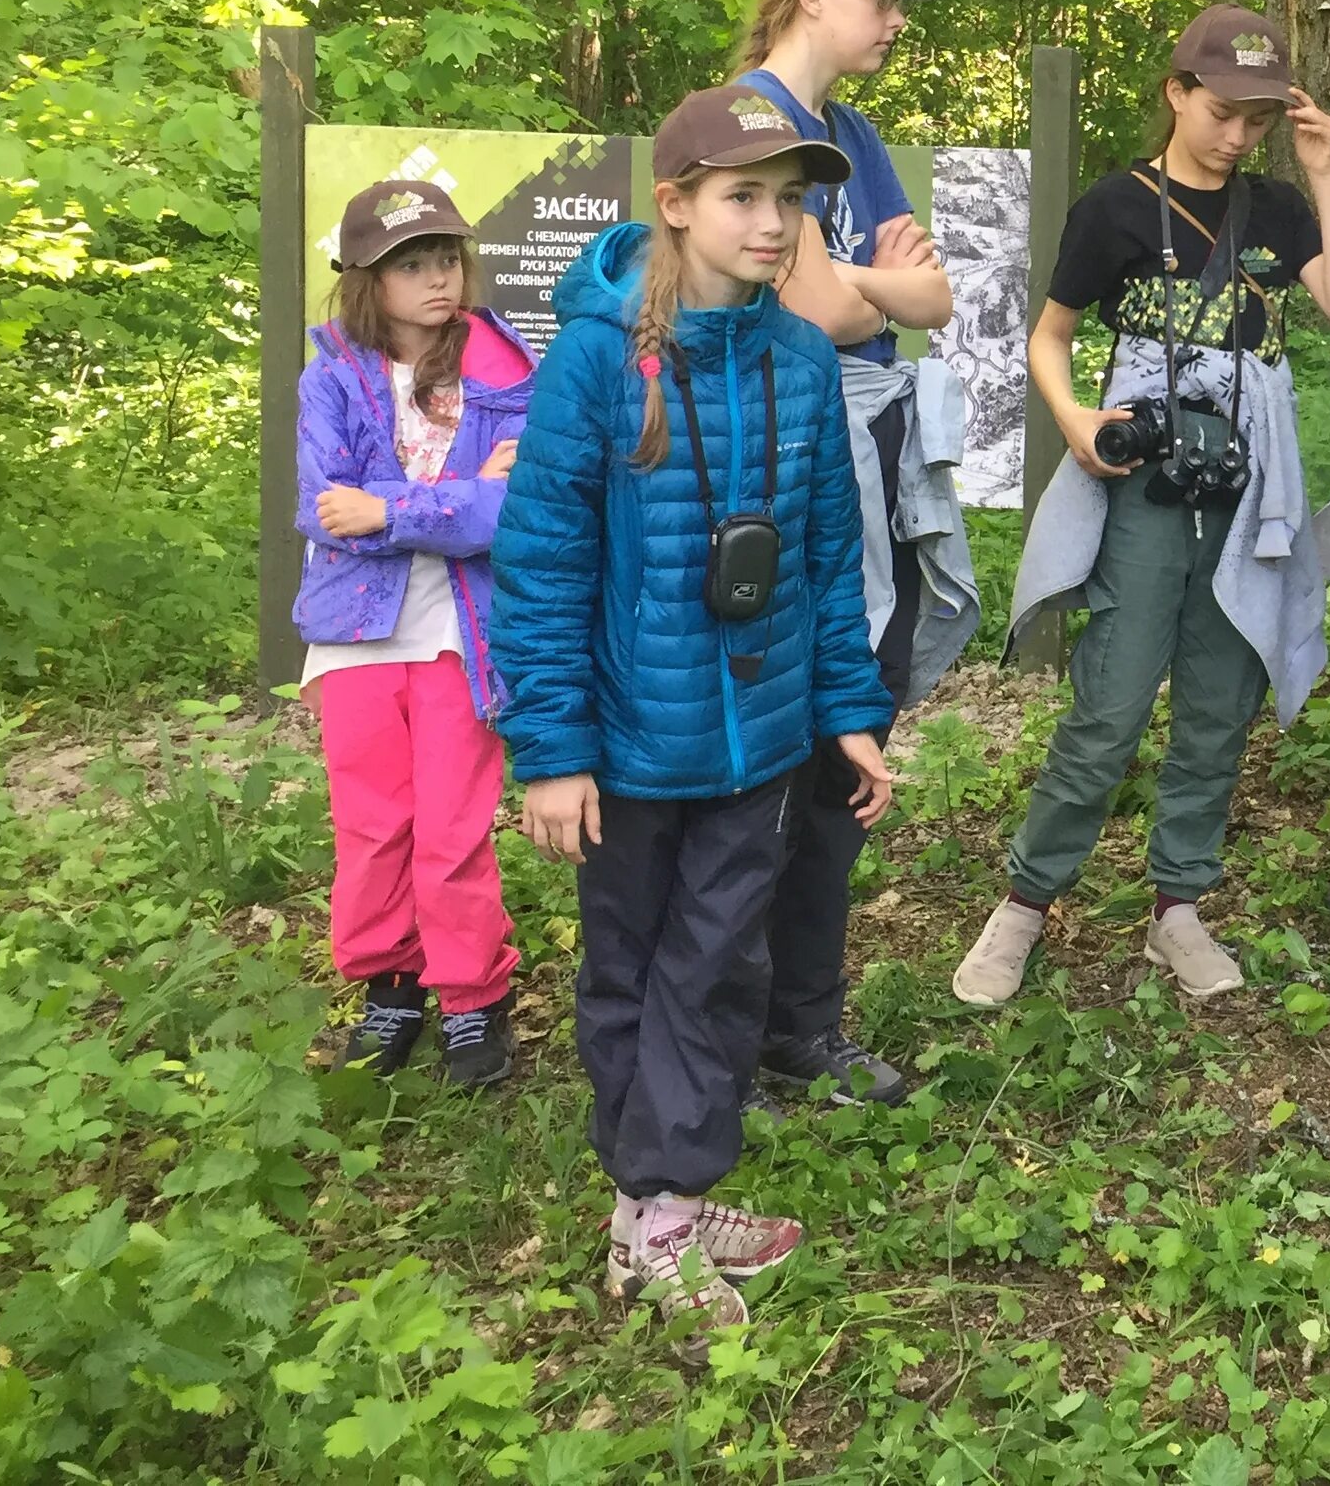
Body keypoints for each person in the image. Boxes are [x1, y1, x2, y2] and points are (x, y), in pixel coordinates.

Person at [491, 86, 897, 1334]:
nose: (774, 225)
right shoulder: (595, 361)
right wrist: (552, 751)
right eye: (744, 197)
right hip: (626, 743)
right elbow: (544, 562)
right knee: (634, 965)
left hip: (763, 738)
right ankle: (652, 1212)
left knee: (722, 961)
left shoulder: (797, 354)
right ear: (673, 206)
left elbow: (829, 555)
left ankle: (656, 1207)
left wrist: (848, 709)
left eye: (790, 200)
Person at [957, 6, 1330, 1007]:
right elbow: (1048, 338)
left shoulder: (1275, 209)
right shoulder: (1113, 207)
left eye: (1256, 121)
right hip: (1143, 486)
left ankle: (1177, 910)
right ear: (1177, 93)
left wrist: (1323, 173)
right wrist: (1077, 420)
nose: (1237, 137)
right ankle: (1024, 904)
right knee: (1108, 709)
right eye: (1221, 112)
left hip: (1248, 486)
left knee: (1220, 707)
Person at [732, 0, 982, 1112]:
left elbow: (920, 302)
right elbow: (820, 311)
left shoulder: (856, 132)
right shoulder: (751, 129)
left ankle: (801, 1028)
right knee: (773, 758)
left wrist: (866, 289)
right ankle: (735, 1031)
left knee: (850, 737)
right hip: (776, 484)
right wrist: (878, 289)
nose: (894, 17)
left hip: (864, 470)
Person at [293, 180, 535, 1087]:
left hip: (458, 629)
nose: (437, 279)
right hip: (354, 631)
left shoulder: (504, 370)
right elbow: (322, 507)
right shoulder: (330, 373)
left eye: (445, 258)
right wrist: (454, 499)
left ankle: (473, 998)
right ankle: (389, 986)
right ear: (366, 277)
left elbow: (508, 512)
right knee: (371, 824)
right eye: (411, 263)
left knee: (452, 824)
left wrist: (387, 508)